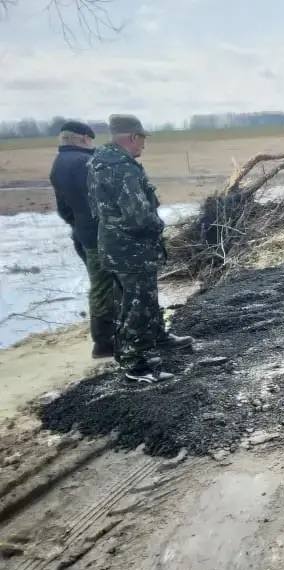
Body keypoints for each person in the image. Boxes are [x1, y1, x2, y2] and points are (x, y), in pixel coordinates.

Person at [87, 114, 193, 383]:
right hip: (131, 248)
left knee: (140, 297)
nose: (143, 145)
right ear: (132, 137)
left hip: (115, 245)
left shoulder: (100, 162)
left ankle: (156, 336)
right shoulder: (122, 168)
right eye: (142, 139)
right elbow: (138, 216)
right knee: (136, 303)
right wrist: (157, 225)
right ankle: (135, 364)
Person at [49, 121, 119, 359]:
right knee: (104, 285)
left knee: (101, 284)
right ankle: (104, 342)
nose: (93, 144)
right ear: (83, 139)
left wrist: (77, 225)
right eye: (91, 140)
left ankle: (109, 337)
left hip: (82, 232)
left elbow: (63, 208)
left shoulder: (58, 164)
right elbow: (102, 200)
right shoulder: (85, 163)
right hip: (99, 234)